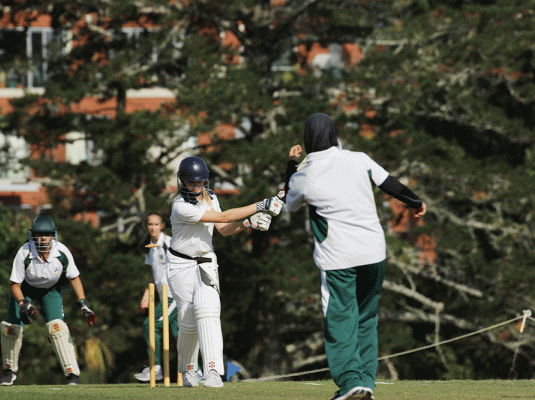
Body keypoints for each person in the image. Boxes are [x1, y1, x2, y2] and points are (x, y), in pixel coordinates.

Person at [284, 113, 426, 400]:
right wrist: (416, 202)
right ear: (334, 134)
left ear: (307, 138)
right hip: (374, 252)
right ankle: (366, 382)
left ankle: (350, 382)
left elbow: (290, 202)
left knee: (340, 319)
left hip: (338, 258)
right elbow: (390, 184)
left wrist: (290, 165)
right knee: (366, 317)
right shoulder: (358, 158)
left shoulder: (306, 173)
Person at [167, 155, 282, 388]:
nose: (195, 186)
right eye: (191, 182)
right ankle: (188, 370)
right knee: (188, 319)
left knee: (207, 307)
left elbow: (224, 228)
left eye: (199, 182)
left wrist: (249, 223)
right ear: (182, 181)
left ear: (205, 181)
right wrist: (262, 205)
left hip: (206, 261)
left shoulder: (210, 198)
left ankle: (212, 371)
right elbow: (223, 217)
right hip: (180, 266)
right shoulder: (180, 206)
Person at [0, 215, 97, 386]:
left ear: (53, 235)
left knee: (57, 327)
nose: (42, 238)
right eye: (38, 234)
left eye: (46, 234)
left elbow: (74, 278)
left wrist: (84, 303)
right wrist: (23, 303)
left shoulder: (62, 252)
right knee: (11, 328)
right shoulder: (24, 252)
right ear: (32, 236)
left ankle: (73, 375)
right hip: (25, 289)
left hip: (50, 289)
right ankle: (9, 371)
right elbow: (15, 285)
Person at [133, 212, 179, 382]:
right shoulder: (150, 246)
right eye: (150, 224)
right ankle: (194, 370)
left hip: (174, 296)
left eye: (156, 224)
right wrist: (146, 295)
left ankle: (156, 367)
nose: (153, 227)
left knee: (150, 325)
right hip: (162, 296)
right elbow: (154, 275)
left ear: (162, 226)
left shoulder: (169, 243)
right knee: (177, 333)